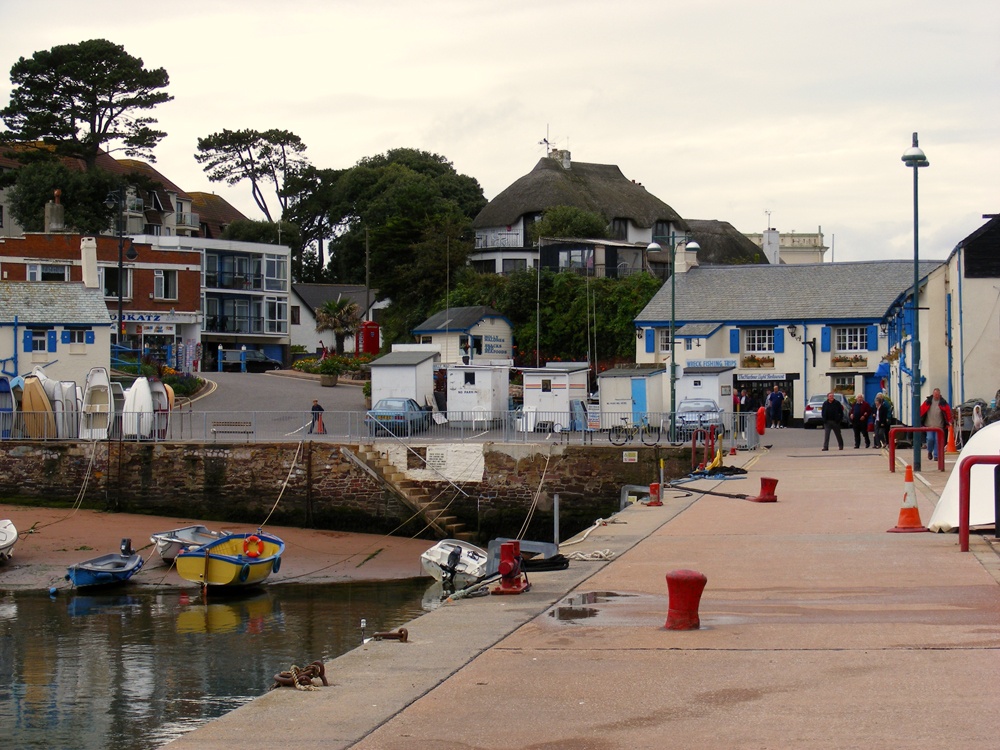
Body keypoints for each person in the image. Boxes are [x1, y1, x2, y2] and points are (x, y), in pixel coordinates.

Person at [920, 387, 952, 461]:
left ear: (939, 394)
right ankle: (930, 451)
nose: (936, 395)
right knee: (930, 439)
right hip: (929, 425)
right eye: (935, 394)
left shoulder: (943, 403)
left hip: (939, 425)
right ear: (933, 394)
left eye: (937, 394)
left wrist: (949, 421)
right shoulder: (928, 401)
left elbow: (948, 412)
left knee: (937, 440)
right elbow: (921, 410)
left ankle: (936, 455)